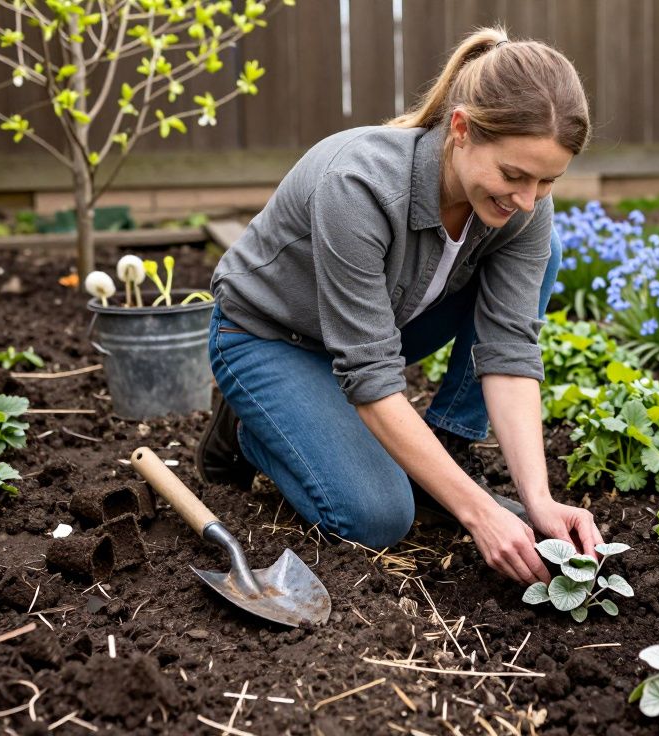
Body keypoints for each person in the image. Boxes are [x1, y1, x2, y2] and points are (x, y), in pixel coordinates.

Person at [196, 27, 602, 586]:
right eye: (513, 175)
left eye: (547, 181)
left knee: (545, 253)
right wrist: (479, 511)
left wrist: (539, 501)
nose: (527, 199)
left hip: (383, 320)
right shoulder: (358, 184)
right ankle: (254, 429)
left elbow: (509, 351)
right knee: (378, 516)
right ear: (460, 129)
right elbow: (370, 374)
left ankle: (445, 446)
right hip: (270, 337)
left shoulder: (524, 208)